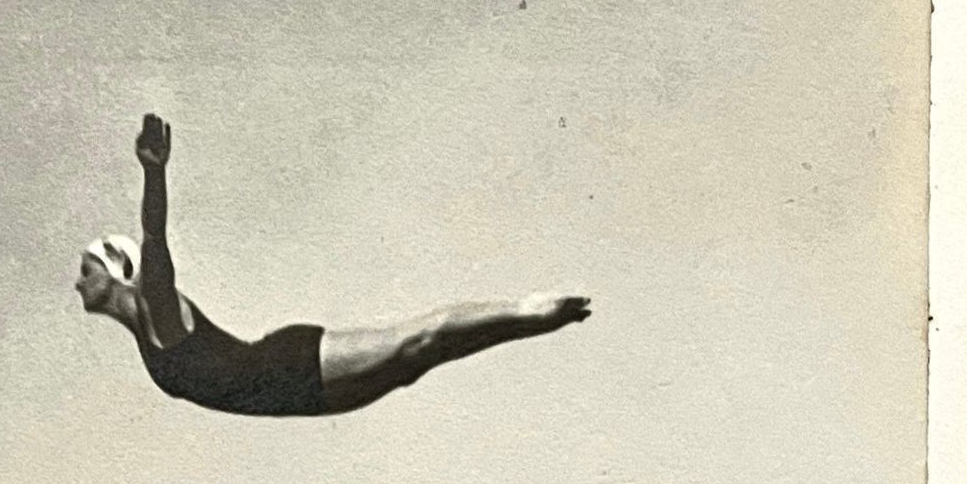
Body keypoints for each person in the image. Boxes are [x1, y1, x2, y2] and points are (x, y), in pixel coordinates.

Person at [77, 114, 591, 418]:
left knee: (417, 341)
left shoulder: (157, 309)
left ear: (119, 268)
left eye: (87, 268)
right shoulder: (146, 331)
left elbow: (154, 238)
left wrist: (154, 174)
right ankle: (529, 322)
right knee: (417, 362)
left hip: (290, 366)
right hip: (308, 400)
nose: (78, 282)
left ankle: (529, 311)